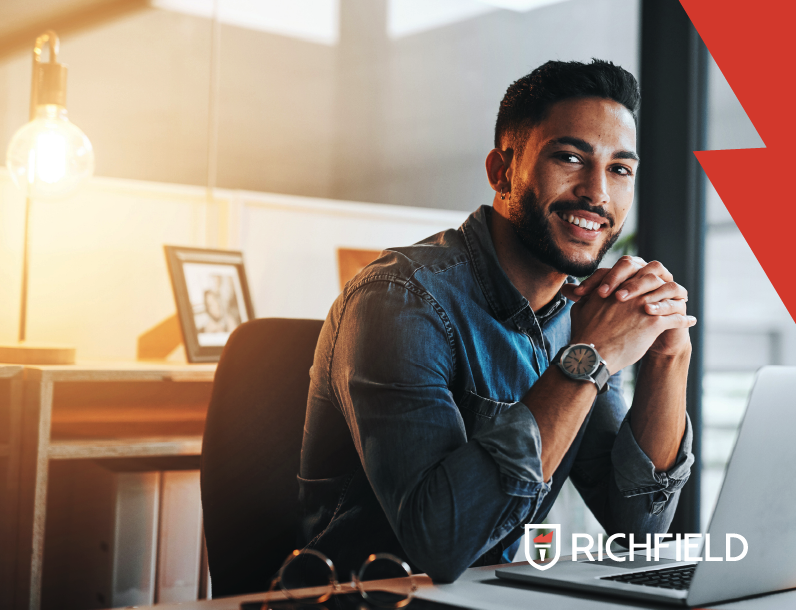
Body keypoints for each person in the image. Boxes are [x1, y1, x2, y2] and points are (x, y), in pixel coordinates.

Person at [298, 59, 695, 583]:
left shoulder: (579, 317)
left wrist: (669, 357)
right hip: (369, 595)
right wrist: (588, 358)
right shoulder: (398, 299)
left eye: (620, 169)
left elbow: (639, 531)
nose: (598, 192)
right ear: (501, 170)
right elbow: (438, 545)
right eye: (571, 158)